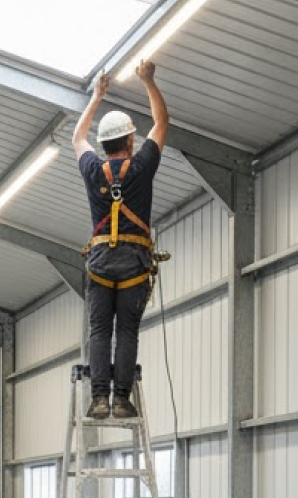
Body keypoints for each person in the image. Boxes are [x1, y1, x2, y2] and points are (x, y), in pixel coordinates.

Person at [70, 59, 168, 420]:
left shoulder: (93, 168)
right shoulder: (141, 167)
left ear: (106, 144)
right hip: (134, 265)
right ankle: (122, 400)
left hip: (99, 265)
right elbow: (161, 123)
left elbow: (78, 138)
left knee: (100, 330)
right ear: (129, 140)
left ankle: (98, 399)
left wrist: (96, 97)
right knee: (126, 331)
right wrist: (148, 81)